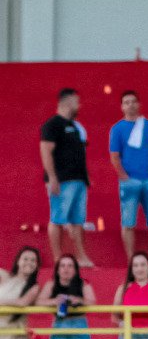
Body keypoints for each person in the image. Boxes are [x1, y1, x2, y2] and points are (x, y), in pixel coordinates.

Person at [108, 91, 148, 268]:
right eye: (126, 102)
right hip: (130, 182)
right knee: (128, 223)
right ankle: (131, 261)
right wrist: (123, 177)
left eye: (133, 102)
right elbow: (114, 155)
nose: (130, 105)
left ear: (139, 104)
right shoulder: (117, 129)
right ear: (122, 107)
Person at [39, 88, 93, 270]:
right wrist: (52, 178)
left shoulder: (75, 127)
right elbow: (46, 151)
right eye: (77, 102)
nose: (79, 105)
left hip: (79, 180)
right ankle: (57, 258)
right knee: (58, 219)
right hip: (62, 181)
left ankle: (81, 256)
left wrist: (86, 177)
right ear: (68, 102)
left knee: (78, 220)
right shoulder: (52, 125)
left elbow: (79, 154)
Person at [36, 255, 94, 339]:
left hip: (79, 326)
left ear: (75, 269)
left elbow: (92, 302)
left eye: (70, 266)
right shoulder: (52, 283)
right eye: (62, 266)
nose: (66, 269)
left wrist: (78, 300)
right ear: (57, 270)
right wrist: (54, 301)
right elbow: (39, 301)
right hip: (59, 326)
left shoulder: (83, 284)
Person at [0, 250, 42, 339]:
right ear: (18, 261)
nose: (28, 263)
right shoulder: (5, 277)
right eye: (25, 259)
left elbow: (22, 302)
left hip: (16, 335)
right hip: (1, 332)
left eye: (33, 260)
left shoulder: (34, 286)